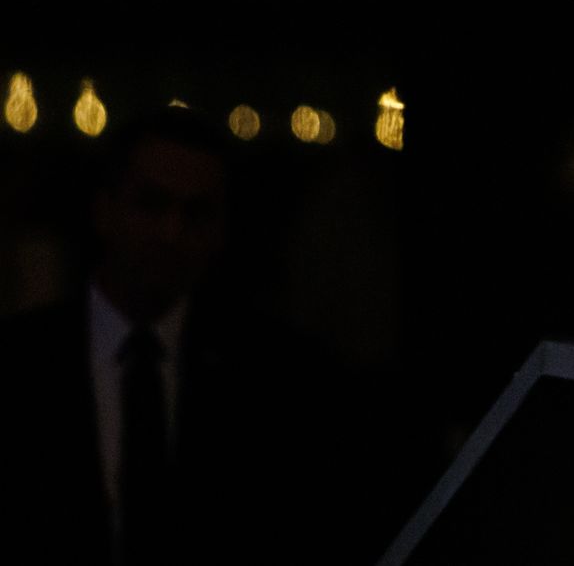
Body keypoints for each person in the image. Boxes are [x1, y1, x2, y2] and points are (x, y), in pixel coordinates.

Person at [0, 107, 353, 565]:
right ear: (104, 209)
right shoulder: (18, 364)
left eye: (197, 213)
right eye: (151, 204)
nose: (171, 233)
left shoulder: (271, 375)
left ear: (220, 231)